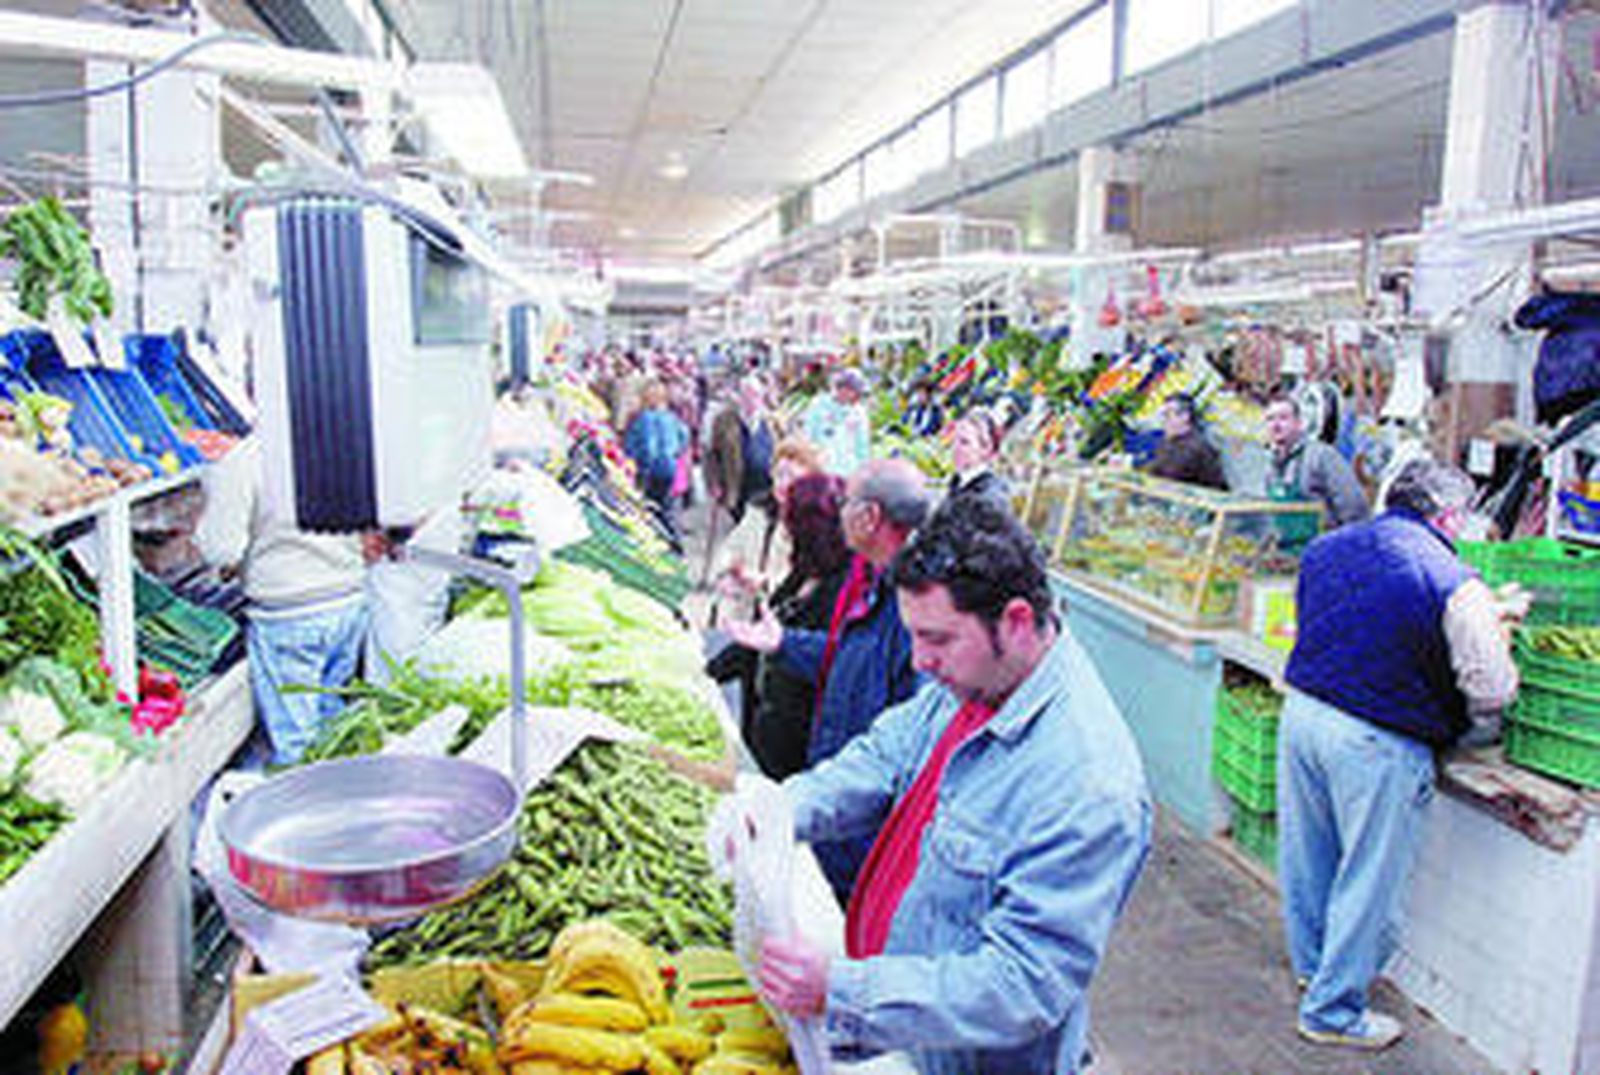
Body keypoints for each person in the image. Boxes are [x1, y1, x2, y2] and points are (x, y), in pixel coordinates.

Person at [748, 495, 1152, 1074]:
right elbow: (884, 756)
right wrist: (783, 810)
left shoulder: (1086, 783)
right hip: (903, 1033)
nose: (919, 661)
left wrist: (842, 992)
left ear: (1014, 621)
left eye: (936, 640)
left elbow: (1023, 983)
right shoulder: (979, 677)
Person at [1278, 459, 1521, 1051]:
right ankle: (1333, 1011)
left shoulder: (1328, 548)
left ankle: (1315, 968)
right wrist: (1496, 623)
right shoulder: (1452, 579)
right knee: (1369, 877)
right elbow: (1492, 688)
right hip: (1375, 741)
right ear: (1447, 515)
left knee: (1309, 858)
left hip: (1303, 713)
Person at [728, 458, 929, 900]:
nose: (839, 513)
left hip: (859, 816)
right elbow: (848, 661)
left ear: (870, 517)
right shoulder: (873, 582)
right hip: (834, 789)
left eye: (848, 502)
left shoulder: (915, 607)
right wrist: (784, 642)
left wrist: (793, 809)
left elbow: (906, 742)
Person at [194, 435, 368, 766]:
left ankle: (313, 809)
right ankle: (338, 797)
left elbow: (221, 549)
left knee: (296, 742)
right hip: (349, 600)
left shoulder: (244, 460)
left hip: (291, 613)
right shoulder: (339, 443)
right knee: (332, 722)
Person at [747, 473, 854, 779]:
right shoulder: (806, 569)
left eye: (791, 520)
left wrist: (784, 644)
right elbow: (768, 629)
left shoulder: (843, 587)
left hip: (799, 739)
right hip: (770, 720)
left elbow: (836, 659)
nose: (785, 529)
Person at [1264, 394, 1369, 528]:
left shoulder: (1322, 456)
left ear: (1299, 423)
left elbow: (1354, 506)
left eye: (1283, 418)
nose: (1276, 425)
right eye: (1270, 419)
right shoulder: (1269, 464)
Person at [624, 380, 690, 544]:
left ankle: (660, 541)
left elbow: (643, 447)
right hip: (670, 468)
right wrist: (674, 453)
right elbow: (684, 437)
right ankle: (675, 542)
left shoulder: (644, 418)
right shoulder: (671, 417)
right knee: (668, 509)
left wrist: (638, 462)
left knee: (649, 509)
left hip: (650, 470)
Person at [1148, 392, 1228, 490]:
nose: (1163, 420)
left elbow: (1167, 477)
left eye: (1167, 414)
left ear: (1185, 416)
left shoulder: (1194, 448)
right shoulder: (1171, 441)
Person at [804, 368, 872, 477]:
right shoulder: (819, 405)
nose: (846, 393)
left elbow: (863, 446)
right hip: (822, 468)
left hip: (847, 471)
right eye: (843, 387)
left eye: (851, 390)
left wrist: (862, 471)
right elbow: (808, 434)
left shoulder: (859, 414)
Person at [945, 409, 1010, 505]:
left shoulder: (989, 497)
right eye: (954, 439)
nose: (955, 447)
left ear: (986, 449)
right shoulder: (959, 479)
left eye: (964, 442)